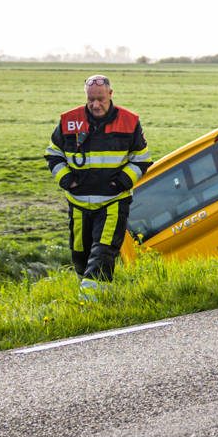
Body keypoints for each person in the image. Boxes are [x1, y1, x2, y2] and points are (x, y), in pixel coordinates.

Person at [45, 74, 151, 295]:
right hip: (78, 203)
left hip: (113, 201)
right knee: (79, 254)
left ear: (110, 94)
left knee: (104, 251)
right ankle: (94, 294)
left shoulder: (129, 121)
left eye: (100, 99)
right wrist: (67, 180)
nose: (95, 105)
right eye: (91, 99)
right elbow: (54, 154)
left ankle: (90, 298)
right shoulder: (68, 120)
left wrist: (121, 183)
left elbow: (141, 159)